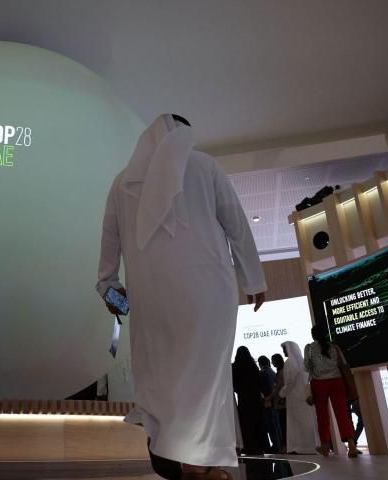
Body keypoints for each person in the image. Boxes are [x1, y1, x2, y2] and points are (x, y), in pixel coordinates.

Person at [96, 114, 267, 480]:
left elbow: (109, 244)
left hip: (151, 296)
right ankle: (197, 462)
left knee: (161, 374)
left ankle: (174, 451)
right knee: (207, 376)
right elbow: (236, 223)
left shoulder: (123, 181)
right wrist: (253, 279)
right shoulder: (205, 165)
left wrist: (109, 287)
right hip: (210, 292)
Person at [304, 325, 359, 458]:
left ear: (313, 335)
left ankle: (325, 446)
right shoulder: (334, 347)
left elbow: (307, 367)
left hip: (319, 383)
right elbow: (343, 363)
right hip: (337, 382)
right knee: (342, 413)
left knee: (322, 416)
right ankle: (352, 446)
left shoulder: (309, 348)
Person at [279, 341, 316, 454]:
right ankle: (311, 445)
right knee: (307, 422)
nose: (284, 351)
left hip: (294, 398)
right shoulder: (303, 362)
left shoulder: (289, 362)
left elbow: (289, 382)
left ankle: (299, 446)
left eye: (284, 349)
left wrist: (282, 393)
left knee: (297, 424)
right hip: (304, 397)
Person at [233, 347, 268, 455]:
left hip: (244, 399)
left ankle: (249, 446)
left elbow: (234, 384)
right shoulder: (253, 366)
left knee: (246, 423)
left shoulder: (235, 366)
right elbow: (259, 381)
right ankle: (261, 446)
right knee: (258, 421)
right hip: (255, 398)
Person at [257, 355, 282, 453]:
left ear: (260, 364)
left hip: (267, 401)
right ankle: (279, 445)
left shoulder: (263, 373)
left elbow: (262, 389)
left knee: (271, 425)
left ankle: (275, 446)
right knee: (276, 424)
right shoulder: (272, 372)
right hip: (274, 401)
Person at [266, 353, 287, 453]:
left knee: (283, 425)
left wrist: (269, 397)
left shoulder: (281, 372)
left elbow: (278, 387)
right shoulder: (279, 372)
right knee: (282, 424)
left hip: (281, 402)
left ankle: (285, 446)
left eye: (273, 360)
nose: (272, 362)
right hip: (280, 402)